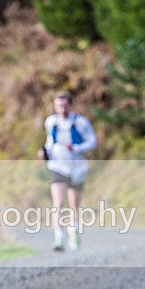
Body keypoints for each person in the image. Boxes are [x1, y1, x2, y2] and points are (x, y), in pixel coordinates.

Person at [38, 91, 97, 251]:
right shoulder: (51, 122)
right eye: (58, 106)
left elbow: (92, 142)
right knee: (57, 203)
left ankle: (73, 232)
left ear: (70, 105)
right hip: (57, 167)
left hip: (77, 168)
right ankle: (59, 238)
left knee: (74, 204)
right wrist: (45, 152)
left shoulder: (81, 123)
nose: (61, 109)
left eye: (64, 106)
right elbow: (50, 140)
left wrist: (77, 147)